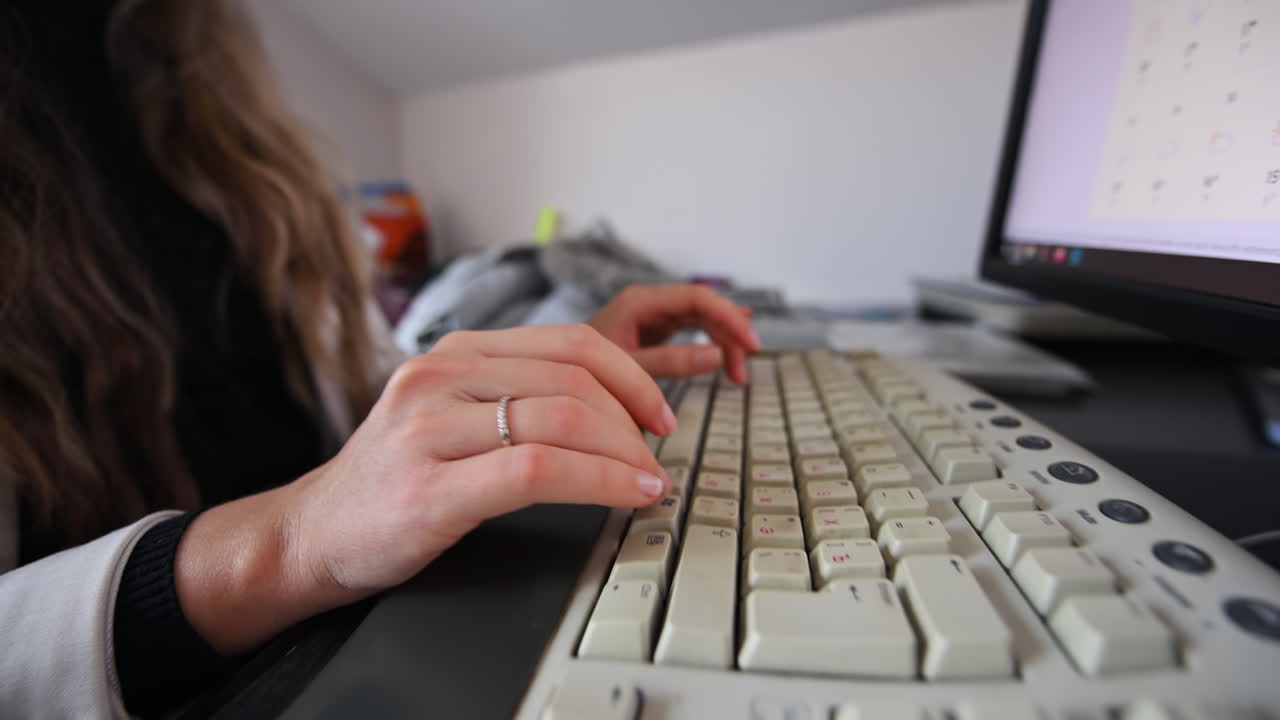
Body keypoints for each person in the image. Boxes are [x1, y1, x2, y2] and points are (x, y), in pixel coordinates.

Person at [0, 1, 760, 717]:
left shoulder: (210, 103)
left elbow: (369, 396)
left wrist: (549, 375)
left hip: (366, 628)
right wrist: (292, 540)